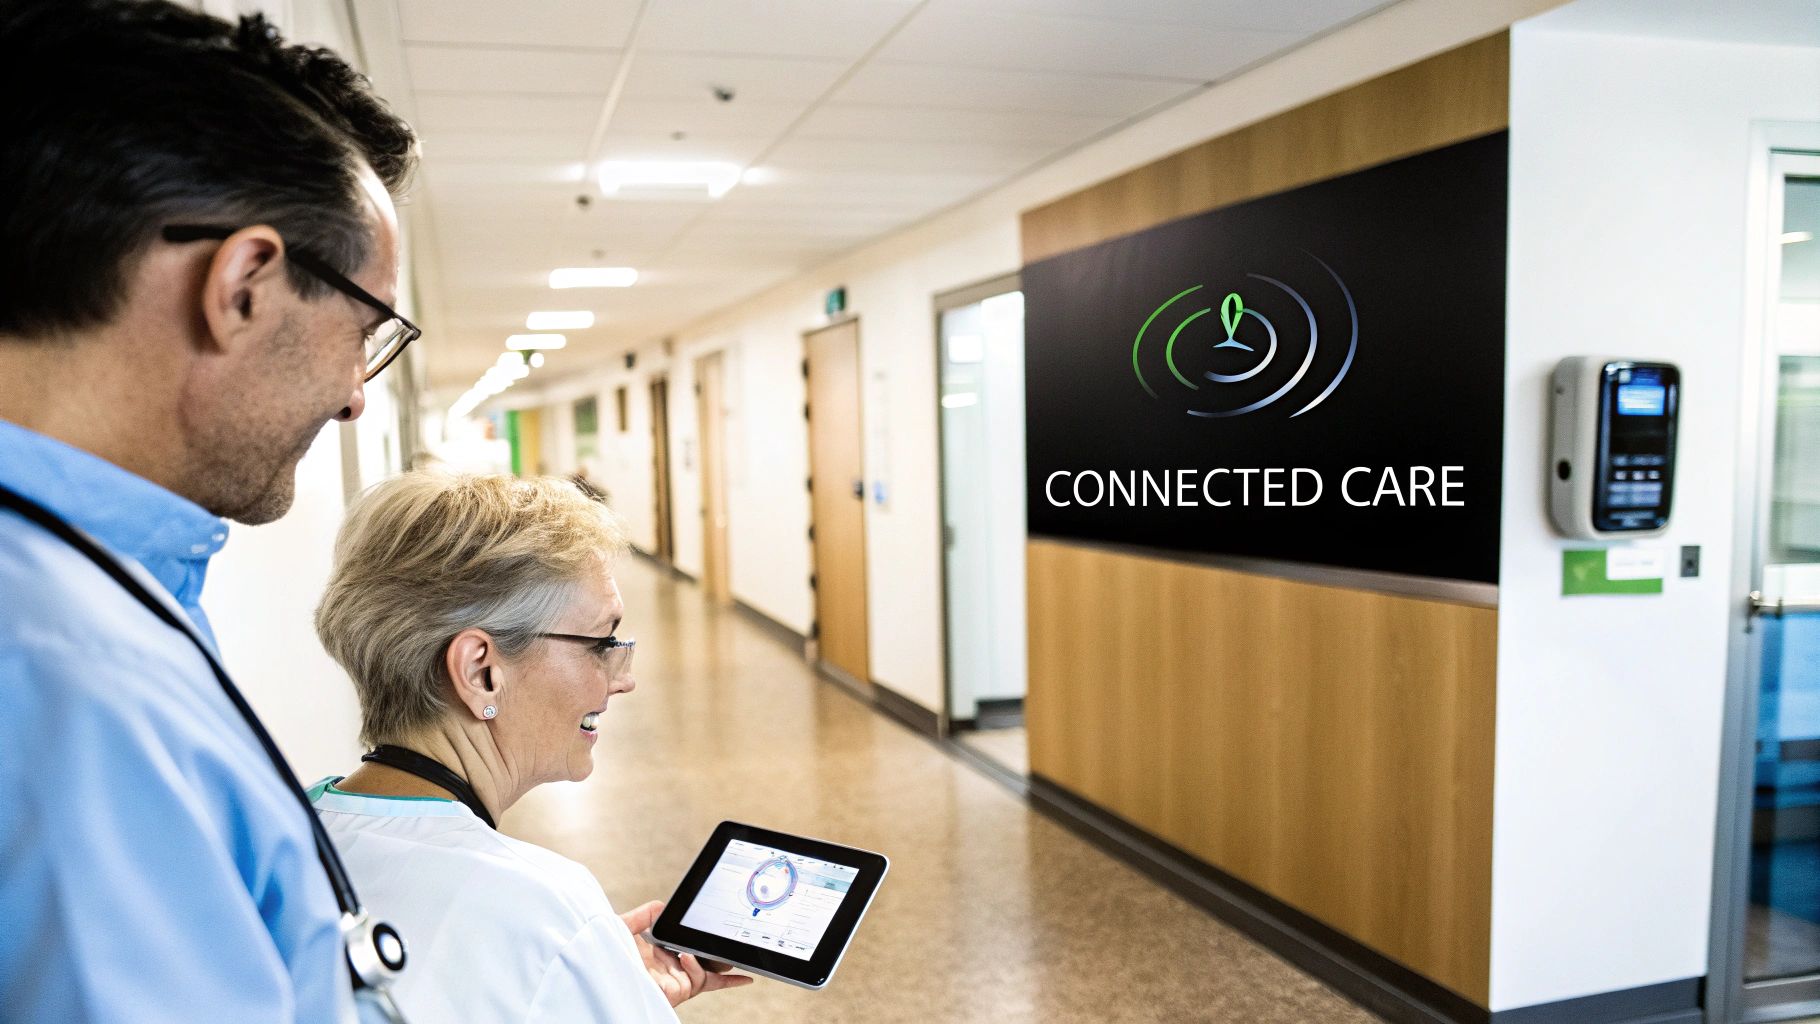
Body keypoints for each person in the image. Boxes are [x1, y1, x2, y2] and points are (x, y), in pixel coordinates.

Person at [0, 1, 417, 1020]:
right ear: (243, 286)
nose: (359, 392)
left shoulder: (86, 590)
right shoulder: (73, 686)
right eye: (363, 330)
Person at [309, 471, 753, 1021]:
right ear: (481, 671)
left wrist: (587, 982)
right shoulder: (544, 910)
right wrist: (571, 962)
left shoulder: (288, 833)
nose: (623, 679)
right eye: (600, 643)